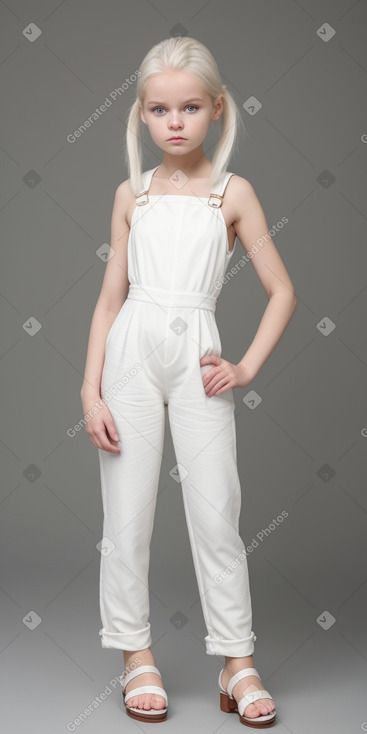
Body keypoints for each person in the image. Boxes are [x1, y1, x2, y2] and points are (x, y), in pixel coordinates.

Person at [80, 36, 297, 727]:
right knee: (127, 519)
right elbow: (110, 299)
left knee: (215, 514)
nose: (174, 121)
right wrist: (89, 391)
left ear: (217, 110)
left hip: (199, 356)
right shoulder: (130, 194)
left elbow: (282, 291)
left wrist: (245, 366)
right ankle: (134, 654)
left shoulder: (232, 195)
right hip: (129, 358)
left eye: (190, 107)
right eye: (159, 109)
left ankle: (236, 661)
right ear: (141, 116)